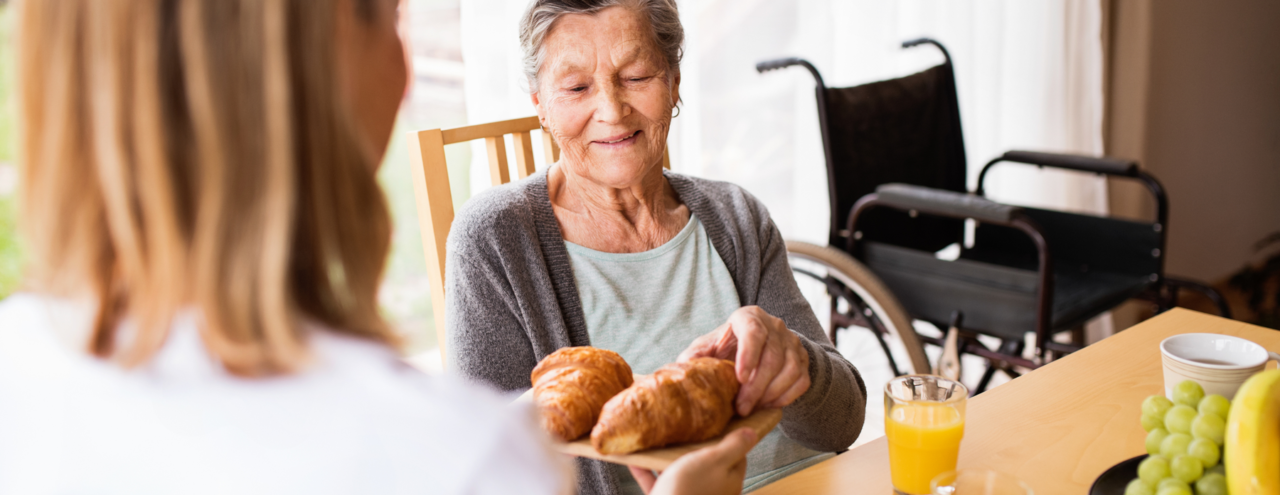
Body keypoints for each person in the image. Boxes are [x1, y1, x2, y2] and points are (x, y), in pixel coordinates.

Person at [0, 0, 754, 493]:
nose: (611, 108)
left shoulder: (17, 363)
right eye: (387, 15)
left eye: (637, 75)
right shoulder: (456, 457)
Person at [446, 0, 868, 493]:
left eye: (637, 76)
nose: (611, 110)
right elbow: (481, 469)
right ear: (539, 102)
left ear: (674, 81)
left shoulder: (735, 217)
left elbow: (844, 423)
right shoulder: (495, 240)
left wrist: (800, 363)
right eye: (577, 87)